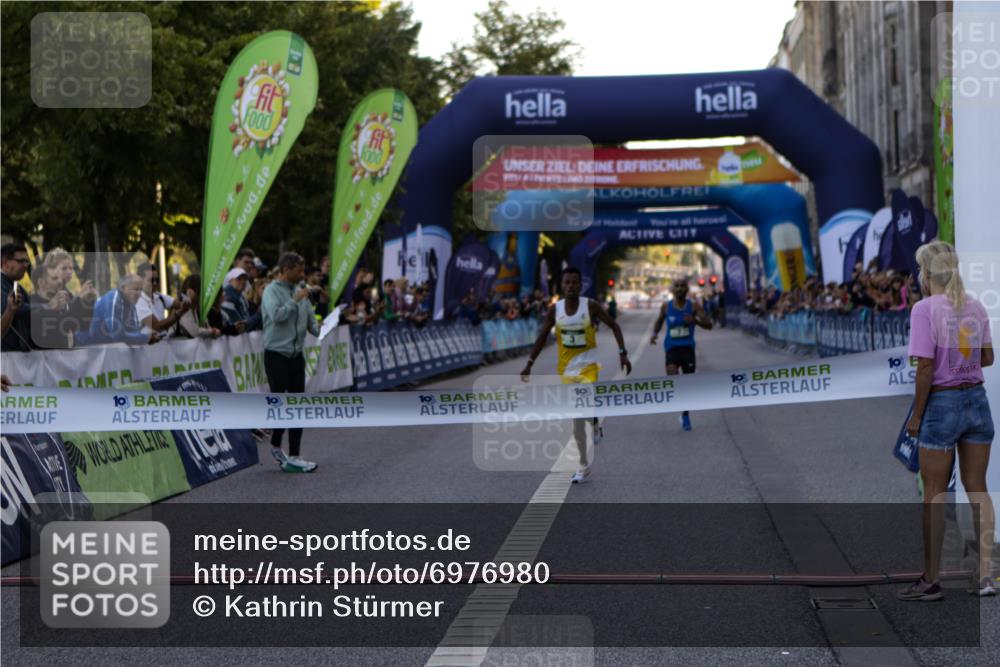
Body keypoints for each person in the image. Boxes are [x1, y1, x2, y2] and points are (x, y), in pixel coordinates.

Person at [898, 241, 995, 600]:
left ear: (925, 273)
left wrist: (917, 415)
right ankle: (986, 577)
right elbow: (988, 358)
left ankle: (931, 579)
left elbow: (925, 367)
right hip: (977, 401)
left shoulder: (924, 309)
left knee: (935, 494)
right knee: (978, 488)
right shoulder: (976, 306)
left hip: (941, 404)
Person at [521, 267, 631, 484]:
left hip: (588, 368)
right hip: (566, 372)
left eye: (574, 282)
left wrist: (623, 354)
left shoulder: (590, 306)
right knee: (577, 420)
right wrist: (529, 364)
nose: (571, 286)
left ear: (581, 285)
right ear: (562, 286)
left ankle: (593, 424)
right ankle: (583, 464)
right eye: (567, 283)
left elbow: (614, 326)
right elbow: (542, 337)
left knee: (583, 409)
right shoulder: (555, 310)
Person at [262, 252, 320, 473]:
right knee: (280, 403)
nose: (303, 274)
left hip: (296, 355)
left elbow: (313, 325)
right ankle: (276, 444)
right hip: (276, 354)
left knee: (298, 405)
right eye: (299, 270)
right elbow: (277, 316)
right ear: (286, 270)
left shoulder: (301, 292)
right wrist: (294, 300)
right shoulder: (271, 291)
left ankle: (295, 455)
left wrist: (324, 324)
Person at [651, 277, 712, 431]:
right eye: (676, 286)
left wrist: (695, 321)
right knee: (674, 382)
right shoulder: (666, 306)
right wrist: (654, 334)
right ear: (672, 289)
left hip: (688, 349)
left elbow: (709, 325)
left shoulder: (694, 306)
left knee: (687, 385)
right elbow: (659, 321)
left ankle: (685, 414)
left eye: (682, 286)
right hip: (671, 348)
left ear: (687, 289)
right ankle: (682, 407)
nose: (679, 288)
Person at [84, 274, 160, 345]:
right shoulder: (113, 299)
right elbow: (117, 336)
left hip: (103, 348)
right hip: (86, 348)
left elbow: (134, 332)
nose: (139, 293)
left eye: (141, 290)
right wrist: (145, 338)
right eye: (136, 289)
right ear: (122, 288)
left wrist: (146, 337)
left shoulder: (130, 302)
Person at [136, 263, 188, 336]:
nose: (155, 283)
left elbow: (180, 304)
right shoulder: (138, 301)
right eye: (151, 280)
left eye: (157, 280)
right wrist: (178, 314)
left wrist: (187, 301)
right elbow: (157, 327)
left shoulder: (159, 296)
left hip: (162, 341)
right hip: (150, 343)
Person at [1, 243, 36, 351]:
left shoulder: (16, 286)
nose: (25, 265)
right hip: (5, 357)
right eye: (21, 261)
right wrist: (49, 307)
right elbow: (14, 308)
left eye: (27, 261)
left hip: (16, 356)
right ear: (5, 263)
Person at [174, 274, 222, 339]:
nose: (203, 295)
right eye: (200, 291)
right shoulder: (183, 308)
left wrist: (212, 331)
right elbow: (194, 332)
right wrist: (212, 331)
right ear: (190, 291)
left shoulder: (197, 308)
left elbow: (206, 327)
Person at [221, 267, 261, 332]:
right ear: (230, 281)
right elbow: (240, 327)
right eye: (238, 279)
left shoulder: (242, 297)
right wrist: (259, 314)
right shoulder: (227, 299)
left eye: (245, 279)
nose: (243, 282)